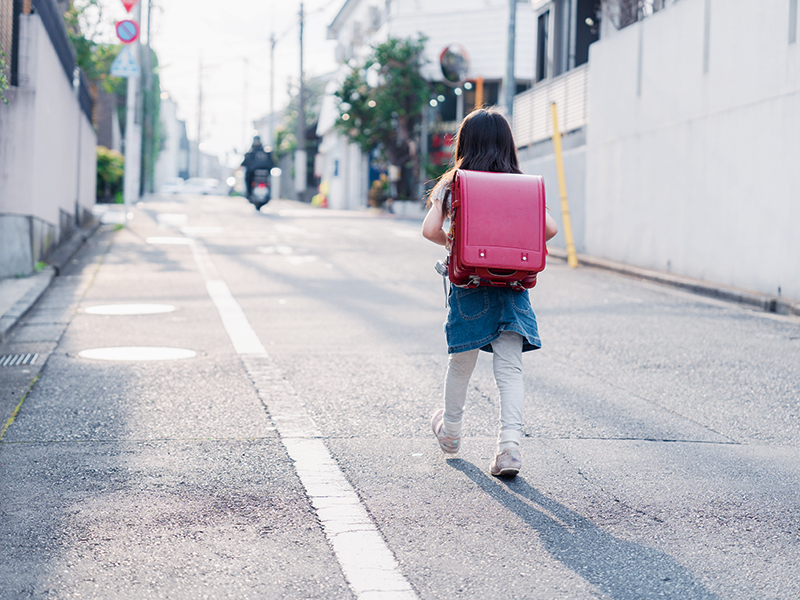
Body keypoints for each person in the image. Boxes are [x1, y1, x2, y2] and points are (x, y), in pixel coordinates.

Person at [421, 108, 559, 477]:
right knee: (509, 368)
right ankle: (509, 448)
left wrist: (455, 242)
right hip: (513, 285)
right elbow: (549, 230)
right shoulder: (522, 184)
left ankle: (451, 432)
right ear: (507, 144)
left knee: (461, 363)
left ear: (464, 144)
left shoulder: (454, 183)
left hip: (469, 285)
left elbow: (430, 230)